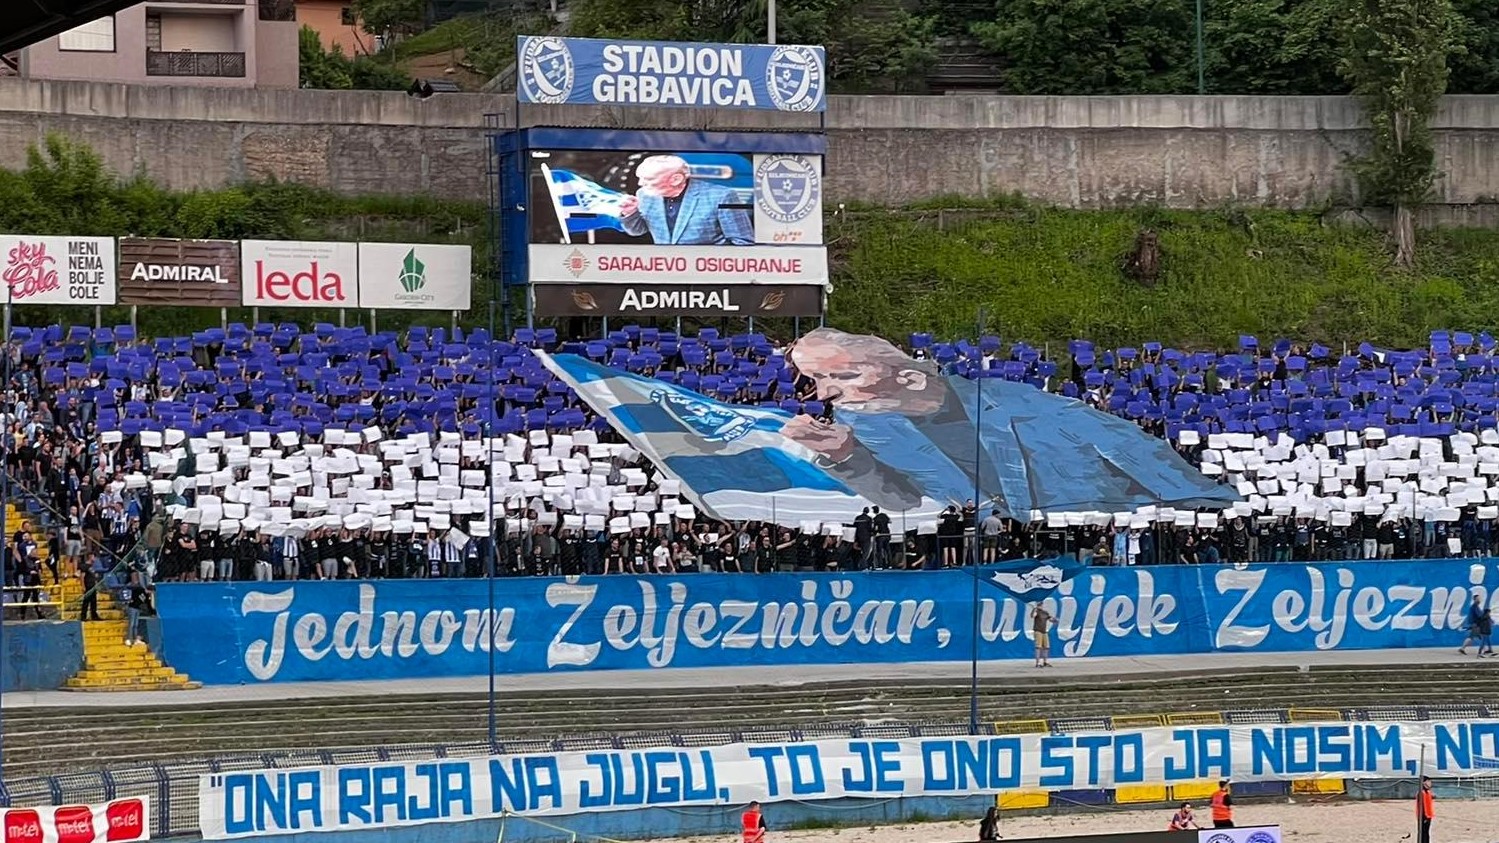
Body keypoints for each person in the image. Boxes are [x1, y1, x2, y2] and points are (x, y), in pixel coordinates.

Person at [619, 155, 754, 246]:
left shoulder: (722, 196)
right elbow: (637, 231)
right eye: (640, 178)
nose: (641, 184)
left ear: (676, 179)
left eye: (649, 179)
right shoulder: (645, 194)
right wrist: (631, 213)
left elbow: (743, 242)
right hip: (666, 272)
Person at [1030, 603, 1055, 668]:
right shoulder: (1037, 612)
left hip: (1044, 631)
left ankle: (1045, 662)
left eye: (1041, 605)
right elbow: (1032, 616)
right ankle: (1037, 663)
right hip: (1038, 631)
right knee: (1038, 647)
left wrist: (1055, 620)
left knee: (1046, 647)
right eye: (1039, 605)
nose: (1040, 606)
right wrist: (1034, 609)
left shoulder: (1045, 612)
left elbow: (1050, 619)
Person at [1418, 775, 1434, 843]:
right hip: (1424, 816)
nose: (1430, 783)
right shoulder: (1422, 793)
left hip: (1429, 816)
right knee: (1423, 833)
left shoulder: (1428, 792)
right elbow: (1422, 806)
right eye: (1428, 782)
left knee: (1426, 833)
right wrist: (1424, 817)